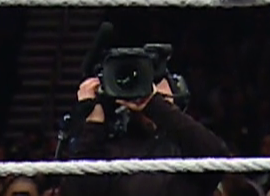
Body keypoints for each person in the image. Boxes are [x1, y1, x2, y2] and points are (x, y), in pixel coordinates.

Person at [58, 75, 230, 196]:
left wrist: (155, 105)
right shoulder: (111, 150)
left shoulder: (185, 149)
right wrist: (93, 125)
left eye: (162, 99)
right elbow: (80, 190)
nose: (148, 104)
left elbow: (218, 158)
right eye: (142, 96)